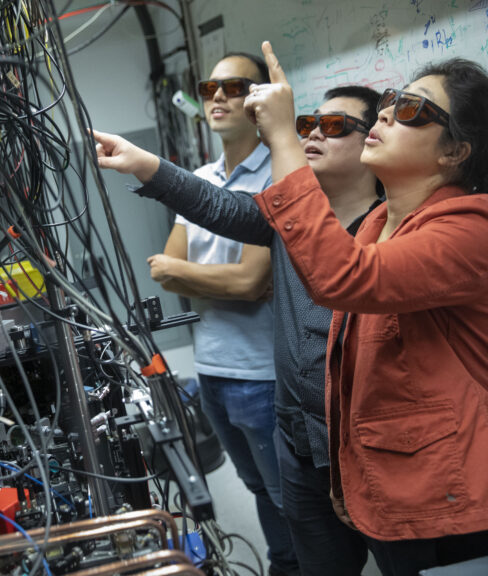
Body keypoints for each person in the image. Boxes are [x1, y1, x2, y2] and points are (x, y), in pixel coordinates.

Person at [96, 42, 488, 576]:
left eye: (414, 110)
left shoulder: (468, 230)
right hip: (334, 444)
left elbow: (342, 276)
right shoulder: (380, 224)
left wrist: (281, 137)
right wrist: (147, 166)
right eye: (393, 100)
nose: (390, 114)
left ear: (455, 152)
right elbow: (228, 209)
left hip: (428, 478)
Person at [95, 84, 381, 575]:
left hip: (366, 443)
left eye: (334, 127)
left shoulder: (395, 229)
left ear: (372, 144)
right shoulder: (289, 217)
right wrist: (143, 162)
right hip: (297, 436)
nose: (312, 133)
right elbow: (217, 205)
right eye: (308, 123)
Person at [149, 52, 298, 576]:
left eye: (234, 87)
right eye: (210, 86)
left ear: (259, 100)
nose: (217, 96)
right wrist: (205, 279)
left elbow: (250, 280)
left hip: (261, 373)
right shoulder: (199, 178)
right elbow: (164, 272)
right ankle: (285, 562)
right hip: (211, 367)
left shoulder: (278, 175)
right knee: (257, 486)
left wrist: (190, 274)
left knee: (289, 498)